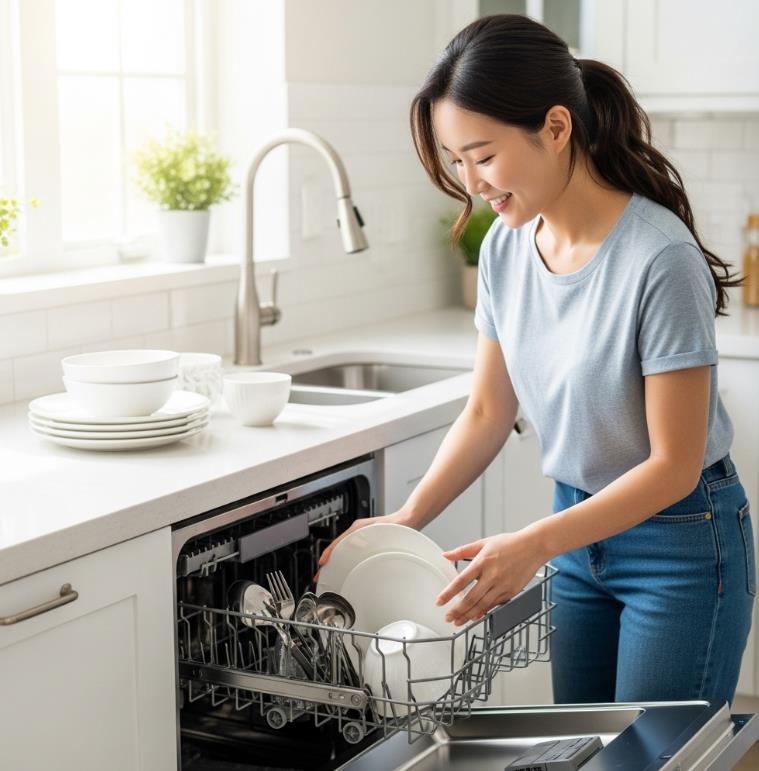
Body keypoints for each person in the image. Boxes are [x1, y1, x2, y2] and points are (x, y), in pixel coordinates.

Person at [318, 14, 755, 705]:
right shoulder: (503, 248)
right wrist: (409, 518)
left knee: (650, 755)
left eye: (483, 156)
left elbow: (671, 465)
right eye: (455, 160)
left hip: (677, 542)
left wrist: (531, 544)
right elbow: (490, 408)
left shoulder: (657, 257)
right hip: (578, 533)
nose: (471, 183)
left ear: (555, 128)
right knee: (580, 743)